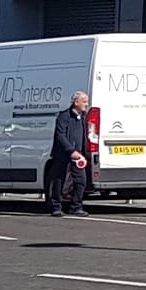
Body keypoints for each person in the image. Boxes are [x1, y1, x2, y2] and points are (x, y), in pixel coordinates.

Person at [49, 90, 91, 218]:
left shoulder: (83, 116)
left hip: (79, 155)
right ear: (76, 102)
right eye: (84, 102)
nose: (86, 104)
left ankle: (76, 207)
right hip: (63, 154)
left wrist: (83, 152)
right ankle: (56, 207)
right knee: (58, 180)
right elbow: (60, 135)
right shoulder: (64, 116)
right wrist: (71, 150)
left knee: (81, 181)